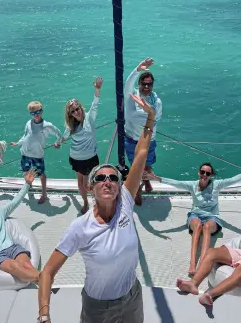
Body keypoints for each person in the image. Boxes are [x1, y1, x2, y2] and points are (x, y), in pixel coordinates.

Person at [37, 94, 155, 323]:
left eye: (113, 177)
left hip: (133, 298)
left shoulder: (126, 203)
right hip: (98, 308)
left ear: (120, 186)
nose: (108, 180)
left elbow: (141, 152)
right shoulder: (80, 227)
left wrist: (150, 117)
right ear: (91, 187)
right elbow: (47, 272)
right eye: (100, 178)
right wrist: (44, 314)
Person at [146, 162, 241, 275]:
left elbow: (235, 179)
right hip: (195, 214)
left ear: (211, 175)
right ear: (199, 173)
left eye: (208, 173)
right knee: (198, 226)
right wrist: (156, 178)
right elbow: (174, 182)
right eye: (202, 172)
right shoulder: (192, 185)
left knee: (206, 228)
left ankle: (203, 263)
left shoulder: (217, 185)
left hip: (212, 217)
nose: (204, 175)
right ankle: (193, 264)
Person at [62, 77, 103, 214]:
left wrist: (97, 89)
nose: (76, 112)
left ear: (81, 107)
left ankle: (96, 201)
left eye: (77, 109)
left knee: (89, 184)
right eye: (72, 112)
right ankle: (86, 202)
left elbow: (95, 103)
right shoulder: (71, 125)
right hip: (76, 157)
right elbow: (65, 136)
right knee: (81, 183)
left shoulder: (90, 117)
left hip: (90, 157)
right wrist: (58, 142)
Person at [124, 57, 162, 206]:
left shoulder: (156, 101)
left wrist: (147, 111)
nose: (146, 87)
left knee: (148, 165)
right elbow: (128, 84)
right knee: (135, 168)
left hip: (149, 139)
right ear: (139, 84)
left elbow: (155, 117)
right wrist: (137, 70)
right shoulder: (131, 96)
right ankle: (137, 190)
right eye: (144, 84)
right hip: (132, 139)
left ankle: (146, 181)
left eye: (149, 84)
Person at [11, 101, 62, 204]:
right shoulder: (28, 123)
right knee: (26, 173)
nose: (36, 114)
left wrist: (57, 143)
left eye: (38, 111)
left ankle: (44, 195)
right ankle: (28, 189)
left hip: (37, 156)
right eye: (33, 113)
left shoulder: (47, 125)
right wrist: (18, 143)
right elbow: (25, 136)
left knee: (41, 175)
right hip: (25, 154)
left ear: (42, 111)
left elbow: (59, 134)